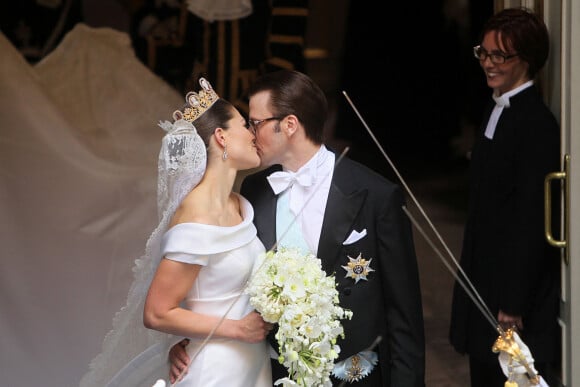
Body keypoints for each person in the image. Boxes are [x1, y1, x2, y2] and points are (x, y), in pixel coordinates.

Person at [169, 69, 426, 386]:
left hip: (355, 373)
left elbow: (404, 314)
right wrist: (196, 342)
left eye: (256, 123)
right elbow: (227, 278)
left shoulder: (376, 195)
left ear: (289, 125)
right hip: (273, 371)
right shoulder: (254, 190)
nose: (250, 133)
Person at [79, 77, 273, 387]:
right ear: (221, 137)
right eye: (243, 125)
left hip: (252, 365)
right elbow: (157, 312)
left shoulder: (240, 203)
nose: (253, 134)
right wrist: (238, 329)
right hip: (215, 372)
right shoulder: (196, 214)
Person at [449, 7, 561, 387]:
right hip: (484, 267)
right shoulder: (496, 107)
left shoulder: (535, 124)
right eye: (485, 52)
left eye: (500, 56)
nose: (489, 63)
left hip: (509, 283)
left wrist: (513, 301)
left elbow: (530, 217)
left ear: (526, 61)